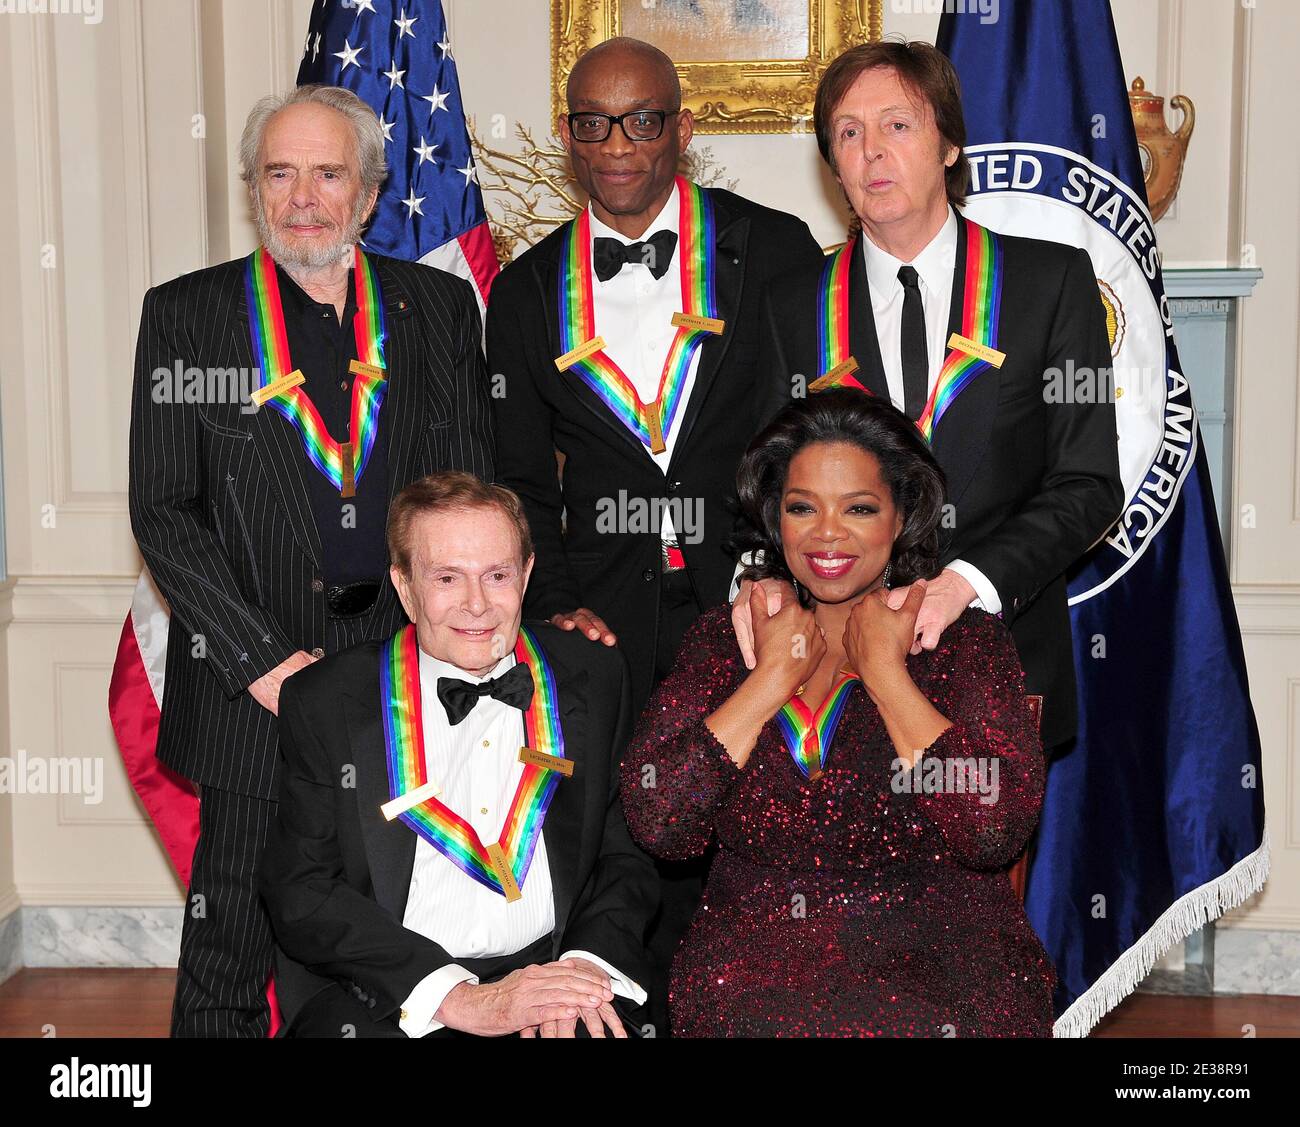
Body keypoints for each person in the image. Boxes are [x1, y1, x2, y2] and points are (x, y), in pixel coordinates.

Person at [128, 85, 495, 1037]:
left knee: (387, 948)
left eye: (328, 173)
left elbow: (471, 501)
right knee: (231, 951)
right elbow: (163, 511)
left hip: (397, 691)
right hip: (253, 696)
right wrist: (262, 667)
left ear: (370, 194)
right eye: (278, 173)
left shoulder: (440, 310)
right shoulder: (188, 317)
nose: (302, 197)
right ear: (253, 188)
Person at [487, 36, 823, 1032]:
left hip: (752, 603)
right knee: (628, 841)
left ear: (680, 126)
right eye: (593, 121)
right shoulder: (523, 289)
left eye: (640, 119)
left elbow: (812, 443)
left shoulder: (775, 249)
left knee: (755, 838)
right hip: (603, 619)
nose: (617, 142)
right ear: (567, 138)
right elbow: (515, 479)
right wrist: (549, 604)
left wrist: (777, 569)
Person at [621, 390, 1056, 1037]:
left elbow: (992, 829)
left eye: (858, 508)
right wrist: (770, 678)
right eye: (803, 507)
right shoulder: (730, 639)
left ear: (900, 515)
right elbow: (660, 819)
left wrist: (886, 673)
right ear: (776, 517)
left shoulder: (959, 641)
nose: (828, 533)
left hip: (943, 965)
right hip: (751, 975)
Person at [735, 41, 1124, 753]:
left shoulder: (1050, 283)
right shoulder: (794, 305)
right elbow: (768, 495)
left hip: (1000, 670)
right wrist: (754, 584)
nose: (871, 153)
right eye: (848, 134)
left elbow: (1088, 486)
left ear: (949, 143)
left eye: (897, 125)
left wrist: (963, 584)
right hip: (834, 683)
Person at [259, 473, 657, 1038]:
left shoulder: (591, 673)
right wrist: (456, 998)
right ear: (404, 586)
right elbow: (300, 890)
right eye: (447, 577)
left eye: (497, 575)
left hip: (558, 970)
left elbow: (626, 856)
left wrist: (582, 970)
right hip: (400, 992)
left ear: (527, 575)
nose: (476, 604)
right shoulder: (328, 699)